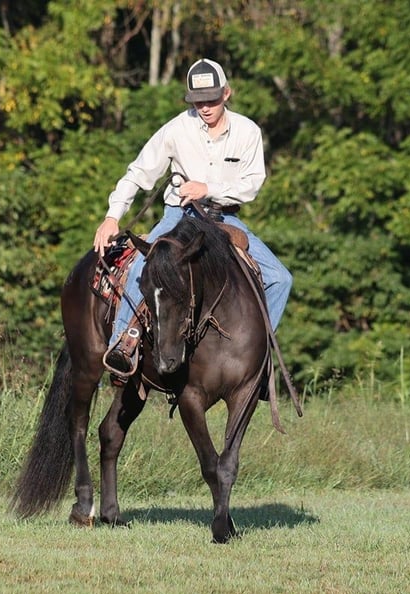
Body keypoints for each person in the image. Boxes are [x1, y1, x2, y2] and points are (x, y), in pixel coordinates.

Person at [93, 58, 292, 378]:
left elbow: (252, 184)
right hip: (178, 215)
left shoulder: (248, 132)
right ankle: (123, 342)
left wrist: (208, 189)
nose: (205, 107)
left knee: (280, 279)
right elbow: (138, 173)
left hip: (223, 217)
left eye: (211, 99)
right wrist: (112, 217)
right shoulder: (176, 129)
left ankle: (259, 357)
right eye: (198, 101)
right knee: (144, 263)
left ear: (226, 93)